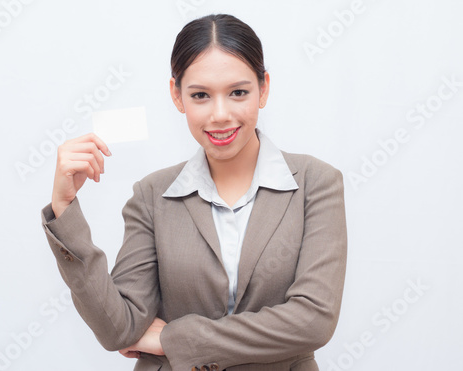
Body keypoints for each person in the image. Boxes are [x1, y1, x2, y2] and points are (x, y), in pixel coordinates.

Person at [40, 13, 347, 371]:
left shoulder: (317, 184)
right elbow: (118, 327)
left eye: (238, 92)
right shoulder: (152, 195)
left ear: (263, 89)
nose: (219, 115)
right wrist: (64, 208)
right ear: (177, 95)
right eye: (200, 95)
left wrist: (174, 339)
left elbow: (313, 320)